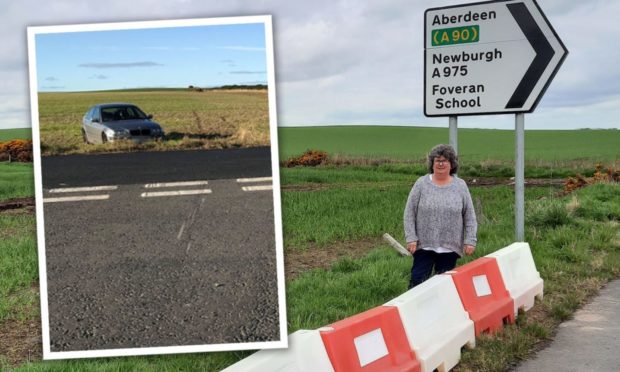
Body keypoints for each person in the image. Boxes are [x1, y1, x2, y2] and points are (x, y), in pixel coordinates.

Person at [403, 144, 477, 289]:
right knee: (417, 282)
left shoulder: (460, 186)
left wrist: (470, 240)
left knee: (444, 287)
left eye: (445, 160)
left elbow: (469, 215)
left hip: (450, 247)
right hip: (424, 245)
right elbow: (409, 212)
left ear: (452, 164)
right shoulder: (421, 184)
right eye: (437, 160)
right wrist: (411, 237)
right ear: (432, 163)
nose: (441, 164)